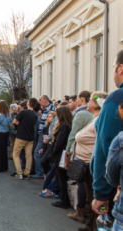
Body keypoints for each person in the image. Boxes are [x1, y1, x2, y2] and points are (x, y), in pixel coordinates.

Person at [67, 92, 108, 226]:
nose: (88, 103)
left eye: (91, 100)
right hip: (86, 163)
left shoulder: (100, 120)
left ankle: (101, 222)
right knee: (90, 193)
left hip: (93, 164)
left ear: (96, 103)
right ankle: (91, 220)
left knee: (98, 196)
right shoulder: (95, 118)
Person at [92, 51, 123, 219]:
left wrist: (101, 192)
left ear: (120, 69)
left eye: (113, 67)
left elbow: (106, 147)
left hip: (115, 190)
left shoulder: (116, 99)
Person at [48, 106, 73, 209]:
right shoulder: (69, 125)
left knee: (61, 178)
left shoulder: (63, 127)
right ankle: (65, 199)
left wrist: (52, 153)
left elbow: (59, 143)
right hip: (64, 154)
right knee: (62, 178)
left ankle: (64, 201)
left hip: (60, 155)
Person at [9, 98, 39, 180]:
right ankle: (27, 173)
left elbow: (14, 122)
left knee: (15, 154)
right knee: (28, 155)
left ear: (28, 103)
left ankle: (19, 172)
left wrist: (19, 123)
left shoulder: (23, 112)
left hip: (21, 136)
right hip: (30, 137)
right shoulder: (35, 114)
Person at [32, 95, 56, 179]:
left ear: (45, 100)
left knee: (37, 152)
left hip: (45, 133)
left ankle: (40, 172)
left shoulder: (51, 109)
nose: (39, 102)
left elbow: (52, 122)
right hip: (43, 132)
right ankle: (43, 172)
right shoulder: (45, 109)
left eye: (40, 100)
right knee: (41, 152)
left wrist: (47, 134)